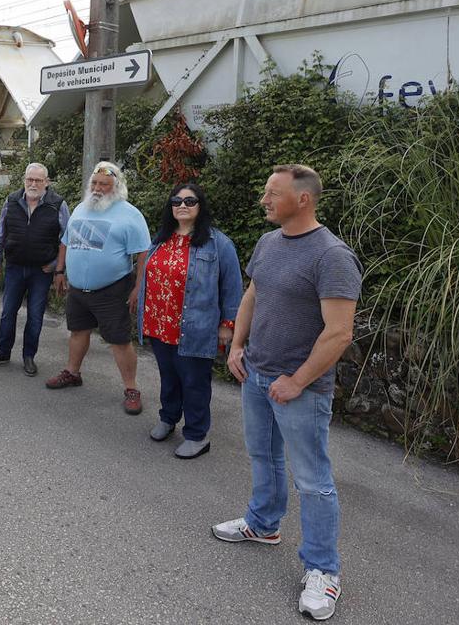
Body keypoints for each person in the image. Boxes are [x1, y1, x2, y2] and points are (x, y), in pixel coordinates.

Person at [212, 164, 360, 622]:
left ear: (303, 199)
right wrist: (238, 344)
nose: (264, 199)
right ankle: (262, 524)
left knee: (312, 480)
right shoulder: (269, 242)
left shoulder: (332, 256)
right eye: (265, 191)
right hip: (257, 374)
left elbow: (339, 334)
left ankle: (322, 569)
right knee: (263, 455)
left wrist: (297, 381)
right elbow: (254, 293)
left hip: (301, 388)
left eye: (272, 193)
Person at [137, 183, 242, 459]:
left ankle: (197, 435)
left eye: (190, 201)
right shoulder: (161, 238)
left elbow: (232, 287)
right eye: (176, 201)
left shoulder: (219, 244)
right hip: (160, 324)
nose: (182, 205)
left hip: (195, 327)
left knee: (195, 382)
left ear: (200, 206)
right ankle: (168, 417)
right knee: (168, 377)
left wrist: (227, 325)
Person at [48, 161, 151, 415]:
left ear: (116, 187)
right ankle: (72, 373)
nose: (98, 188)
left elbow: (143, 254)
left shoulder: (130, 214)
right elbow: (65, 241)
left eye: (104, 184)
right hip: (78, 289)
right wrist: (60, 271)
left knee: (118, 340)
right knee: (78, 331)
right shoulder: (82, 208)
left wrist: (140, 287)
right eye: (94, 183)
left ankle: (131, 388)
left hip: (112, 289)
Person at [0, 163, 69, 377]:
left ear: (46, 183)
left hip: (42, 271)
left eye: (38, 180)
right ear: (24, 180)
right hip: (14, 267)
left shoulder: (58, 205)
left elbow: (67, 240)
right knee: (8, 313)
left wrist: (57, 268)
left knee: (36, 316)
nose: (33, 184)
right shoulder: (11, 200)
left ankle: (29, 356)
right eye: (30, 179)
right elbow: (1, 233)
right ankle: (3, 351)